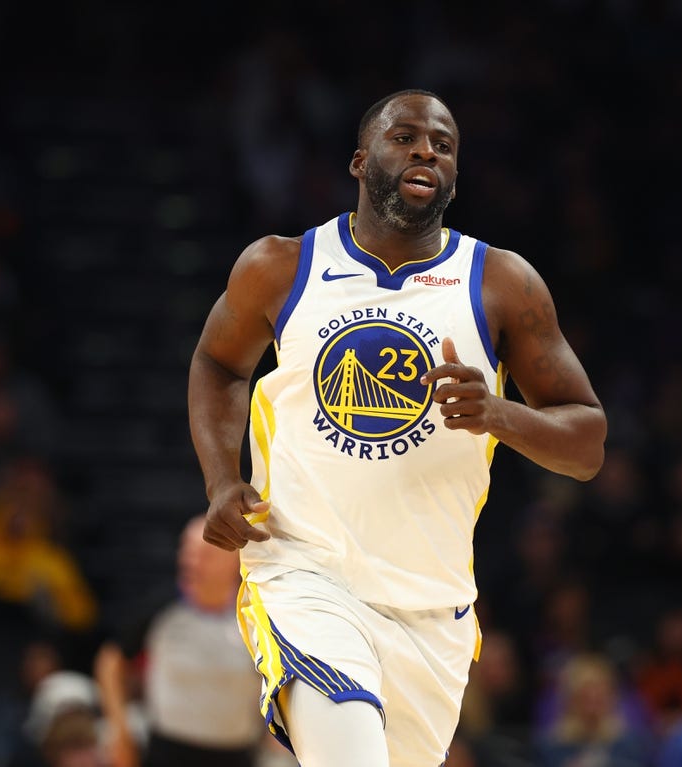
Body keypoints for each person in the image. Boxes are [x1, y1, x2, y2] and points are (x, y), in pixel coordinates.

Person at [187, 88, 606, 767]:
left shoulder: (501, 283)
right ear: (360, 161)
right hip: (303, 570)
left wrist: (498, 413)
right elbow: (217, 363)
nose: (425, 150)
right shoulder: (281, 265)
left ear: (454, 176)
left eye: (443, 144)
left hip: (430, 608)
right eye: (405, 136)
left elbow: (588, 443)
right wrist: (219, 479)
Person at [93, 515, 267, 767]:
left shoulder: (255, 615)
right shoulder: (160, 608)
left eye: (204, 555)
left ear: (234, 560)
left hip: (237, 755)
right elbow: (110, 661)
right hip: (167, 753)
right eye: (186, 551)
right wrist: (119, 730)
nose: (190, 562)